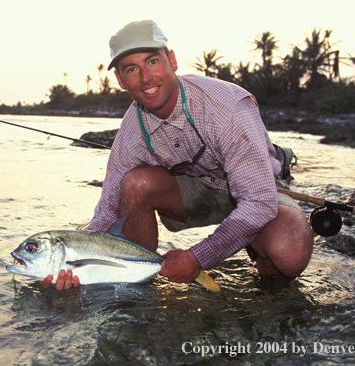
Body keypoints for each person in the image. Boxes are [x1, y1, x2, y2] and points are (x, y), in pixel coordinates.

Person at [42, 20, 313, 290]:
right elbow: (107, 207)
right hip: (198, 191)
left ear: (172, 61)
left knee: (289, 255)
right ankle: (138, 281)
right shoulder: (131, 131)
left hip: (256, 189)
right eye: (132, 69)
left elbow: (259, 202)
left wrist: (197, 257)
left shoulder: (228, 107)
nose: (146, 78)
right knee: (135, 183)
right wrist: (75, 258)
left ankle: (261, 262)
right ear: (120, 80)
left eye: (152, 62)